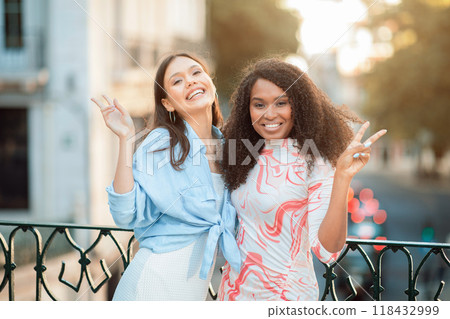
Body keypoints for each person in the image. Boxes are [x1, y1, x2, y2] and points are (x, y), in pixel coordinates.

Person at [218, 58, 387, 300]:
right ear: (248, 109)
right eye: (259, 104)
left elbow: (328, 253)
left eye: (281, 103)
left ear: (298, 106)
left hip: (285, 298)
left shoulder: (315, 161)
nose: (270, 114)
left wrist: (342, 177)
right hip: (234, 294)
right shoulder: (244, 154)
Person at [91, 52, 241, 300]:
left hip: (192, 291)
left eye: (196, 73)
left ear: (210, 83)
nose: (190, 81)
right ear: (168, 103)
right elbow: (126, 213)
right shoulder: (162, 143)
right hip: (153, 285)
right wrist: (126, 139)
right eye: (177, 81)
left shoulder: (227, 147)